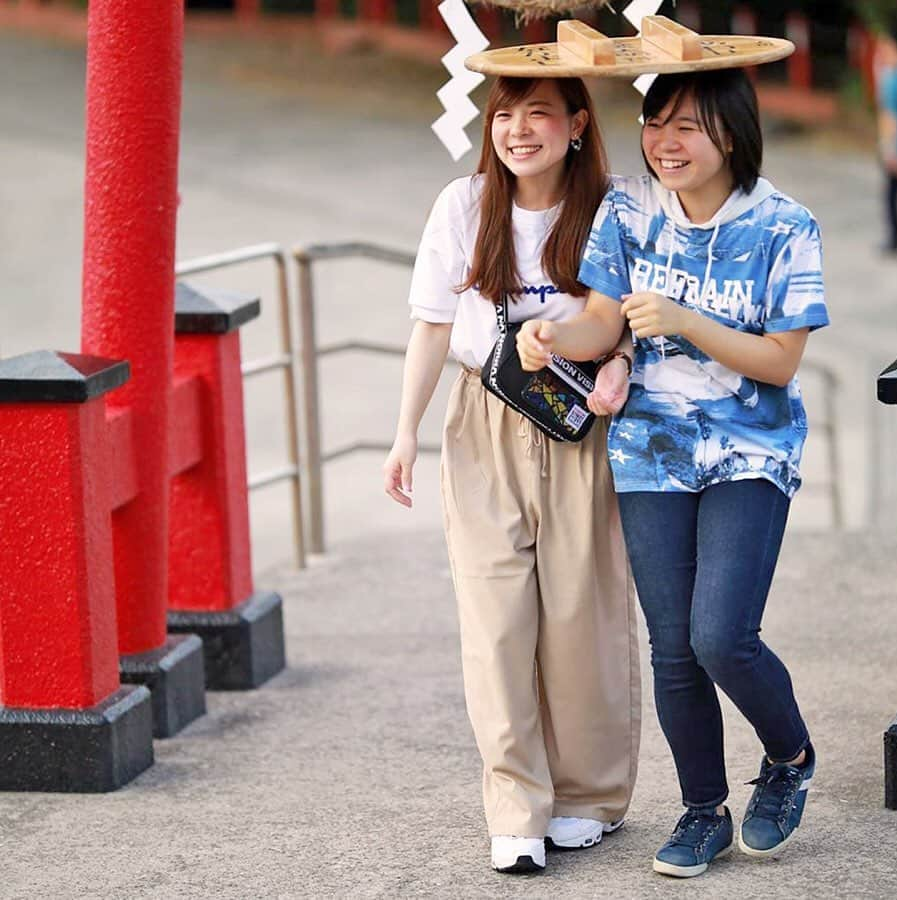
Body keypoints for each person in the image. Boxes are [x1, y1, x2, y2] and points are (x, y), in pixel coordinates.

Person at [517, 67, 828, 878]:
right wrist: (552, 336)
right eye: (656, 124)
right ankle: (702, 811)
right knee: (673, 650)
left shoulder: (786, 226)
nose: (665, 142)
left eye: (687, 125)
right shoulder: (625, 210)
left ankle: (789, 759)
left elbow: (781, 360)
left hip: (749, 448)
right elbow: (597, 319)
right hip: (650, 448)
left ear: (731, 131)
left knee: (721, 635)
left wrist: (689, 321)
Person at [382, 75, 641, 874]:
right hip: (484, 413)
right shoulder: (462, 206)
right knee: (494, 620)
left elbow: (642, 314)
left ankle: (588, 797)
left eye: (538, 113)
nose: (518, 130)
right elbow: (432, 325)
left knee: (580, 614)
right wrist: (404, 435)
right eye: (504, 113)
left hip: (580, 423)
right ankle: (515, 803)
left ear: (575, 125)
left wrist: (622, 359)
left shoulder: (616, 205)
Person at [875, 12, 897, 254]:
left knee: (892, 196)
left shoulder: (892, 78)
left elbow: (890, 117)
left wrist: (890, 150)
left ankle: (894, 240)